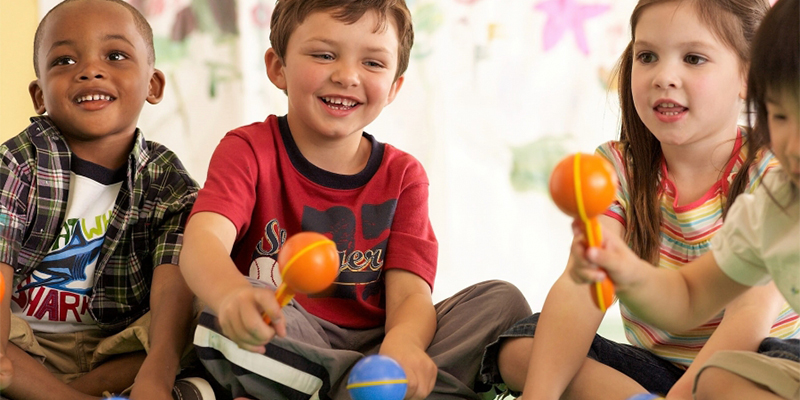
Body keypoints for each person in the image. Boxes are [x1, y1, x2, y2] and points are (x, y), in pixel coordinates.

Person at [178, 0, 531, 399]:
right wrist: (232, 295)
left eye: (374, 64)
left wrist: (404, 344)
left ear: (395, 86)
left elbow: (412, 296)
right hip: (287, 329)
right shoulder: (247, 149)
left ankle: (362, 385)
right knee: (214, 319)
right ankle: (370, 389)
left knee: (502, 304)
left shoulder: (404, 175)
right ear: (278, 67)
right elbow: (202, 242)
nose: (347, 75)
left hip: (379, 344)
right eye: (324, 55)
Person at [479, 0, 800, 398]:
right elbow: (596, 291)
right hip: (657, 368)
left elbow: (749, 318)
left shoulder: (771, 175)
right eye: (647, 56)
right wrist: (540, 393)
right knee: (520, 350)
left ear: (748, 78)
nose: (664, 76)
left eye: (694, 58)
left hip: (759, 359)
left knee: (725, 381)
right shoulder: (618, 168)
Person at [0, 0, 202, 399]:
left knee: (200, 316)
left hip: (114, 347)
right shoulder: (19, 162)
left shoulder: (165, 178)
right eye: (63, 61)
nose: (90, 70)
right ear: (39, 95)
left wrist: (159, 369)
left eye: (115, 55)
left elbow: (171, 285)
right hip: (23, 344)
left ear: (153, 85)